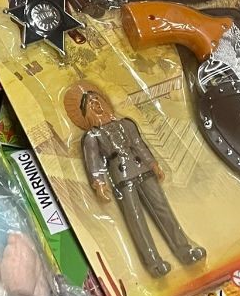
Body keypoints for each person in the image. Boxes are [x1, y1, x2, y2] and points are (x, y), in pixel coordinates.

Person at [67, 86, 206, 279]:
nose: (96, 104)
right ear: (86, 113)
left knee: (163, 209)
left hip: (143, 171)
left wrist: (154, 164)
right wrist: (99, 183)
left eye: (98, 99)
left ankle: (186, 251)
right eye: (91, 103)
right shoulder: (92, 137)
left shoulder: (126, 124)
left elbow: (139, 145)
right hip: (122, 178)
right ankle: (154, 263)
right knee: (136, 220)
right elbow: (93, 163)